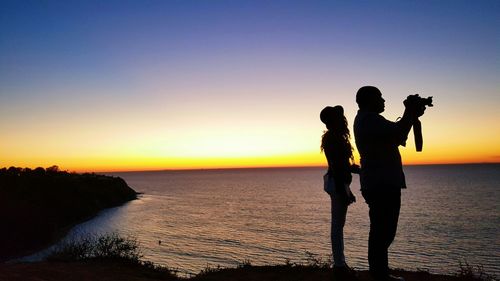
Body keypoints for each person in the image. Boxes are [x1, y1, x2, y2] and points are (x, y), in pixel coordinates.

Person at [353, 86, 425, 281]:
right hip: (381, 183)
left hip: (379, 181)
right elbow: (399, 134)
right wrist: (409, 111)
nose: (384, 101)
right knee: (382, 232)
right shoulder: (370, 120)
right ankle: (379, 275)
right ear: (369, 100)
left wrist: (409, 113)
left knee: (382, 231)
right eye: (380, 97)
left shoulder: (368, 120)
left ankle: (379, 273)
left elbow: (396, 135)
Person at [320, 105, 360, 278]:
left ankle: (340, 264)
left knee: (338, 225)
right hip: (337, 183)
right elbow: (336, 165)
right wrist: (343, 189)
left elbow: (340, 164)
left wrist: (351, 169)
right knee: (337, 226)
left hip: (338, 182)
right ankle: (339, 266)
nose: (343, 120)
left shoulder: (334, 137)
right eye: (339, 117)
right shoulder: (333, 139)